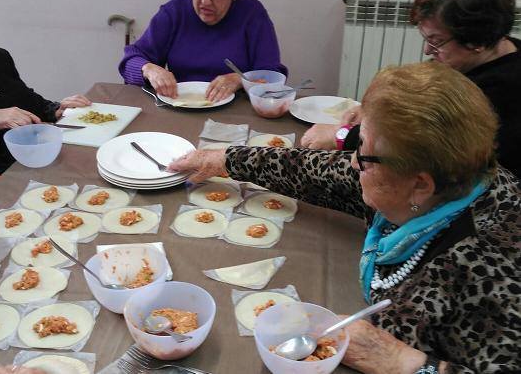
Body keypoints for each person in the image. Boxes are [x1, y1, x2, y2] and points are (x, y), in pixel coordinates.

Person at [170, 62, 520, 374]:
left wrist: (403, 362)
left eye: (362, 149)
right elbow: (314, 170)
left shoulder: (491, 267)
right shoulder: (428, 180)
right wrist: (226, 160)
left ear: (419, 184)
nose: (352, 160)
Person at [302, 0, 521, 177]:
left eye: (437, 41)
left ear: (477, 42)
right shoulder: (483, 53)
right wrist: (374, 111)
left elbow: (424, 147)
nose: (427, 50)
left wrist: (342, 136)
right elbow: (420, 100)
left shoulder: (500, 93)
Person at [119, 0, 287, 102]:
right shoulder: (174, 13)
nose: (205, 1)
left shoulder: (252, 15)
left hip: (237, 111)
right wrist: (149, 69)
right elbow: (130, 61)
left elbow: (272, 76)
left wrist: (240, 80)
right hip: (181, 106)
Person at [0, 47, 91, 175]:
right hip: (7, 172)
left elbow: (25, 98)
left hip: (35, 155)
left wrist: (55, 111)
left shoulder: (0, 57)